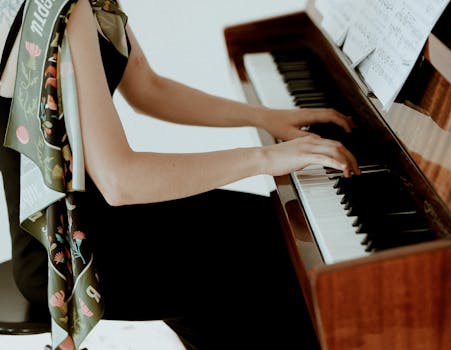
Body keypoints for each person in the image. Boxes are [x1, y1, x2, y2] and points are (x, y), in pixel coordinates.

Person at [0, 0, 360, 349]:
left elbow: (148, 89)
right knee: (268, 254)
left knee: (269, 230)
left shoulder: (90, 3)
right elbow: (119, 181)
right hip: (68, 247)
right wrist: (265, 157)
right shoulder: (64, 9)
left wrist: (264, 116)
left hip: (99, 217)